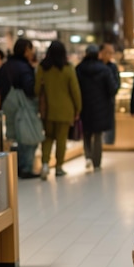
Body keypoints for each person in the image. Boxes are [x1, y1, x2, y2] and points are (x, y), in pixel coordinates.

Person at [35, 40, 82, 179]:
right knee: (61, 139)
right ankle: (59, 167)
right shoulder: (68, 68)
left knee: (48, 137)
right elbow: (75, 91)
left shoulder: (42, 68)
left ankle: (44, 164)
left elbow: (36, 89)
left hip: (47, 110)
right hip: (65, 110)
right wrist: (78, 108)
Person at [0, 38, 39, 178]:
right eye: (31, 49)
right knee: (28, 136)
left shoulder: (6, 65)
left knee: (13, 136)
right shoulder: (24, 67)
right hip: (23, 106)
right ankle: (25, 167)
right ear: (26, 50)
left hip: (8, 104)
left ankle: (14, 167)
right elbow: (29, 88)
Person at [75, 44, 117, 172]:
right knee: (98, 135)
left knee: (86, 132)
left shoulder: (78, 69)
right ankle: (97, 162)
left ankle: (88, 156)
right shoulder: (104, 69)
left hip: (84, 105)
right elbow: (112, 88)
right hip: (101, 106)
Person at [100, 43, 120, 145]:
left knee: (110, 121)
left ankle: (109, 141)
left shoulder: (112, 67)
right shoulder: (97, 65)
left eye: (111, 53)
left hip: (108, 99)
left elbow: (116, 83)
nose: (110, 55)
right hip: (98, 99)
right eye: (108, 52)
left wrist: (114, 90)